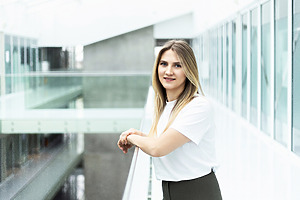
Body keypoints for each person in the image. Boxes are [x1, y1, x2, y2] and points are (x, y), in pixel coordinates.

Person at [117, 40, 222, 200]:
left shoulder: (198, 106)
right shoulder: (165, 106)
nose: (168, 71)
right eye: (163, 64)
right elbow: (169, 142)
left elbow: (158, 148)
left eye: (177, 65)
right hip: (170, 190)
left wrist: (130, 137)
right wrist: (142, 136)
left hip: (198, 192)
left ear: (189, 70)